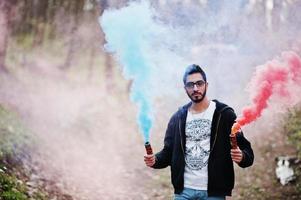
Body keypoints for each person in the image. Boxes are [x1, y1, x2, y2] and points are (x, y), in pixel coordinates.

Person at [144, 64, 254, 200]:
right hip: (183, 192)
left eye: (199, 83)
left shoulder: (224, 115)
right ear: (185, 89)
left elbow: (246, 151)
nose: (195, 88)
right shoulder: (178, 117)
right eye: (190, 85)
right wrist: (155, 160)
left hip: (213, 193)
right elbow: (168, 152)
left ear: (206, 85)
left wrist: (242, 156)